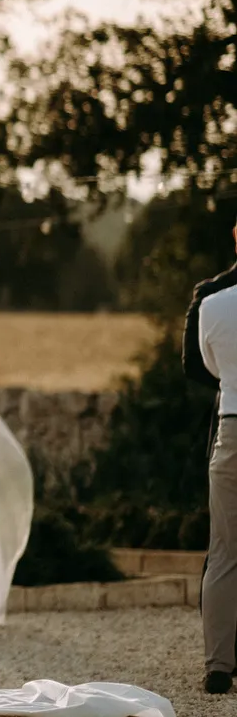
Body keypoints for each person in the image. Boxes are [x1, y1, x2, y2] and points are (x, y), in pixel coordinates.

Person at [191, 214, 237, 696]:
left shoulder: (213, 304)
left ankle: (219, 664)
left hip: (233, 427)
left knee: (224, 551)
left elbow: (210, 366)